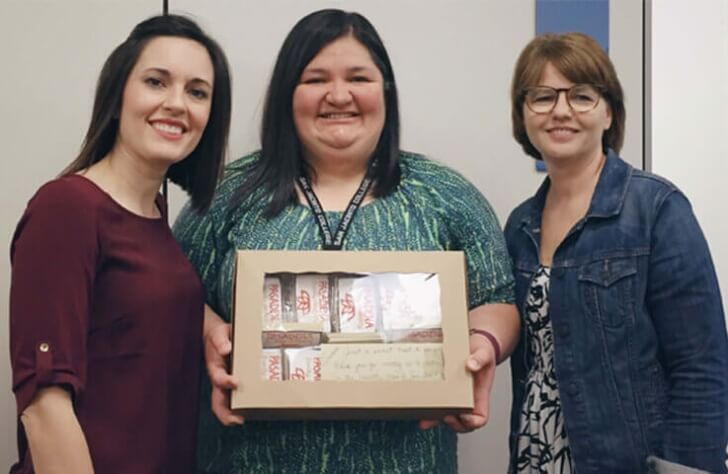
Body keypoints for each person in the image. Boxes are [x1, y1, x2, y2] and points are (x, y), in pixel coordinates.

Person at [174, 8, 519, 473]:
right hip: (250, 458)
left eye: (359, 77)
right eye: (315, 79)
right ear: (286, 95)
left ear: (386, 91)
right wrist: (211, 334)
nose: (339, 95)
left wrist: (482, 345)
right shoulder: (225, 195)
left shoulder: (444, 194)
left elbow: (498, 298)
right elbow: (174, 293)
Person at [9, 14, 231, 474]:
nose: (177, 104)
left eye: (197, 92)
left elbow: (139, 309)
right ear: (118, 95)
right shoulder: (67, 208)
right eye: (156, 81)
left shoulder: (154, 216)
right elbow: (43, 404)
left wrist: (212, 330)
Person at [504, 32, 728, 473]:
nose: (561, 110)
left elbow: (702, 366)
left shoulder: (656, 209)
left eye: (582, 96)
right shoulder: (519, 226)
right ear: (523, 115)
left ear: (609, 112)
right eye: (543, 97)